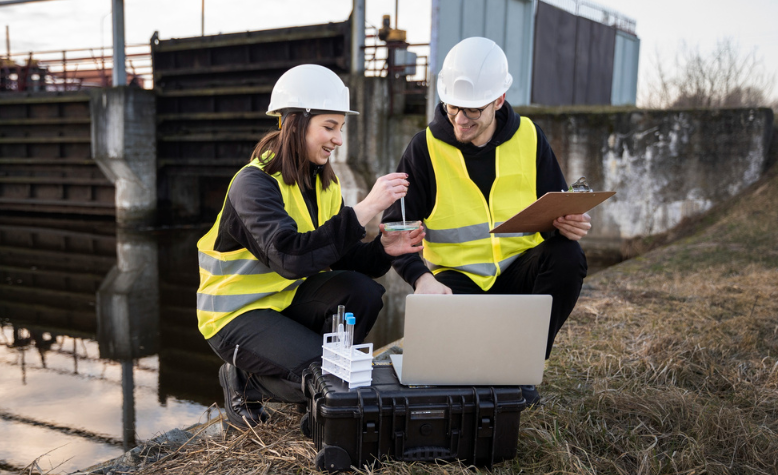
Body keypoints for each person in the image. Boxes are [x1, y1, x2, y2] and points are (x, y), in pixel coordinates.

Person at [197, 64, 424, 429]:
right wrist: (365, 208)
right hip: (235, 316)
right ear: (295, 123)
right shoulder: (253, 185)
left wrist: (384, 249)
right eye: (329, 127)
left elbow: (342, 257)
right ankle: (243, 380)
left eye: (341, 129)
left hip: (286, 302)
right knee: (324, 374)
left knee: (363, 291)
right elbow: (289, 257)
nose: (337, 139)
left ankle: (320, 395)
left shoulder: (323, 185)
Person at [382, 37, 590, 405]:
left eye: (474, 110)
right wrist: (421, 278)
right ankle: (480, 370)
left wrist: (569, 223)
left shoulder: (529, 138)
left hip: (519, 272)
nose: (461, 119)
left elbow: (555, 209)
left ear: (498, 100)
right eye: (454, 107)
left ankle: (521, 366)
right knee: (450, 373)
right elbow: (397, 227)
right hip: (456, 282)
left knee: (568, 255)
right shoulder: (424, 148)